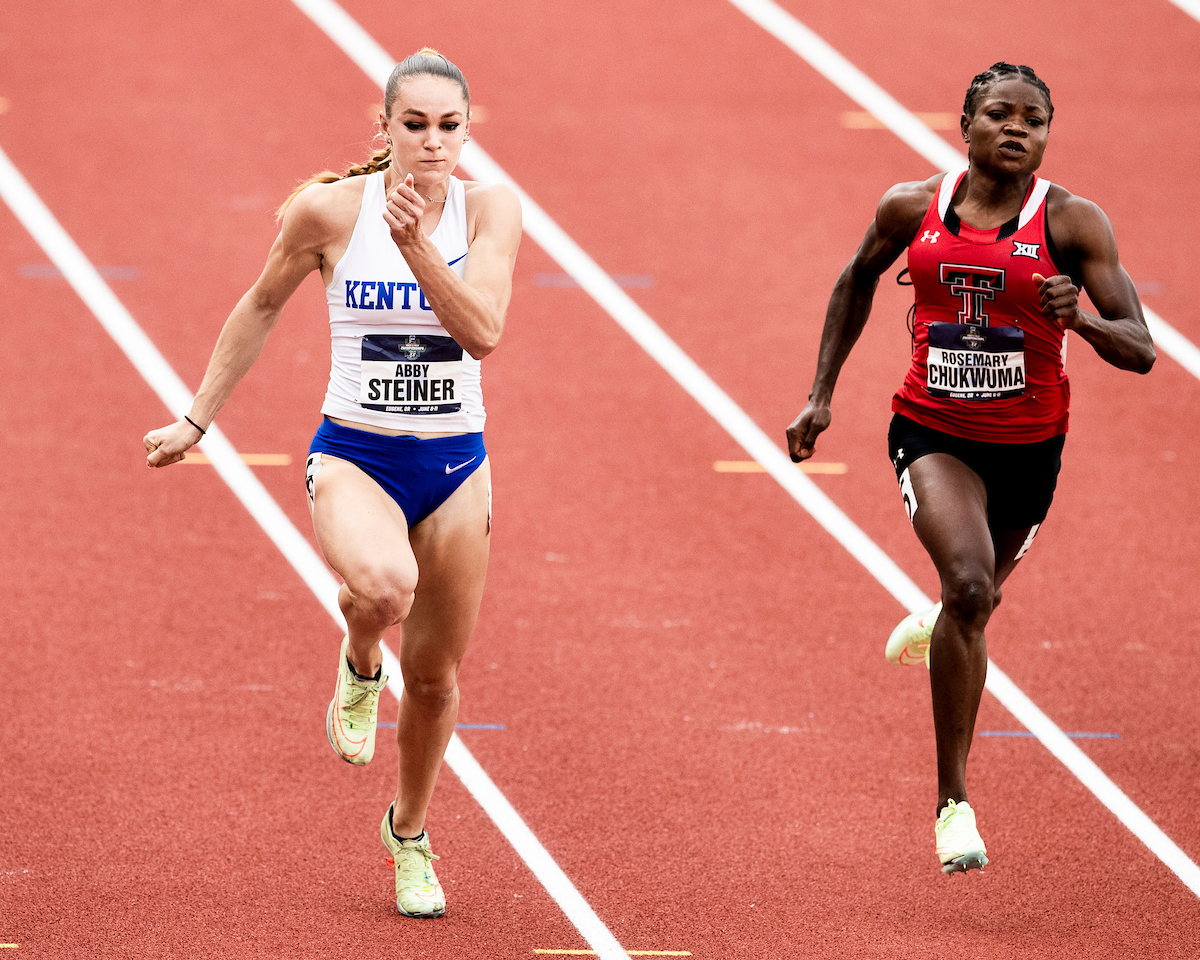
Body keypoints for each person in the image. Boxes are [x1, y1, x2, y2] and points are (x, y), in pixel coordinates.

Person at [143, 48, 522, 916]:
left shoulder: (490, 209)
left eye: (449, 126)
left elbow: (484, 332)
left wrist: (419, 246)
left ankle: (410, 834)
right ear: (382, 127)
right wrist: (196, 420)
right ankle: (358, 659)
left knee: (432, 678)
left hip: (456, 461)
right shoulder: (327, 211)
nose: (433, 144)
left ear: (468, 130)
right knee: (387, 587)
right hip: (356, 451)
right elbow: (262, 303)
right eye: (415, 125)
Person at [785, 62, 1154, 874]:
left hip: (1031, 449)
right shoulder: (911, 206)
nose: (1017, 129)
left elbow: (1144, 349)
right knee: (971, 588)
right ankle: (954, 802)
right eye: (999, 114)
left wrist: (1082, 322)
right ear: (966, 125)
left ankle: (945, 625)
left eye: (1034, 119)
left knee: (971, 603)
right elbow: (855, 281)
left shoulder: (1073, 223)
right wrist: (820, 396)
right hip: (932, 430)